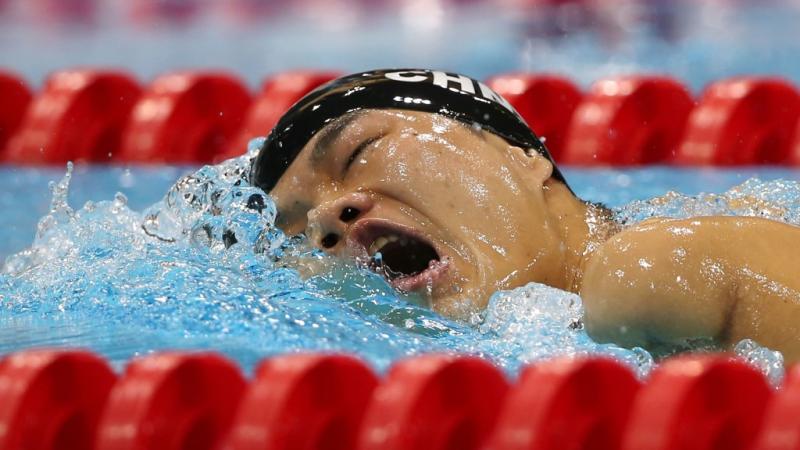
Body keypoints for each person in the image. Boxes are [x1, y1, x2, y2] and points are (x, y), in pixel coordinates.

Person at [250, 69, 800, 361]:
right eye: (299, 235)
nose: (326, 216)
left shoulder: (647, 269)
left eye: (358, 152)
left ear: (523, 155)